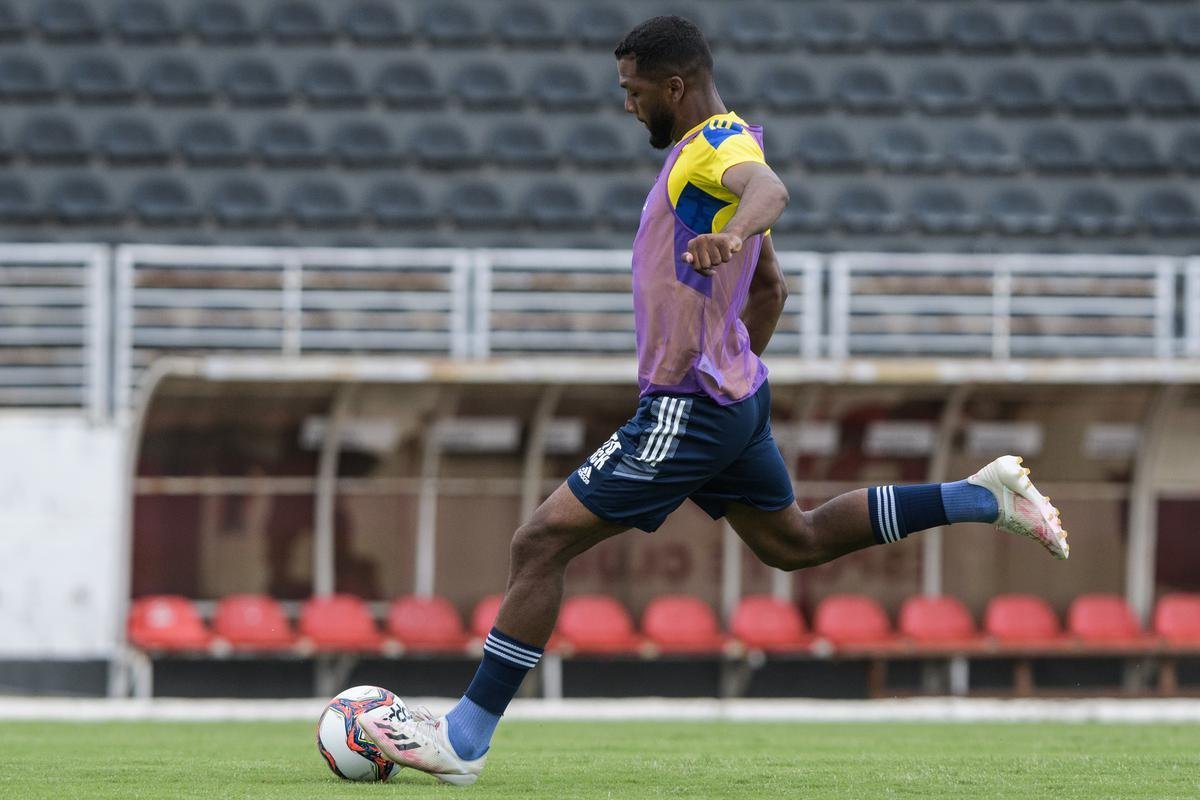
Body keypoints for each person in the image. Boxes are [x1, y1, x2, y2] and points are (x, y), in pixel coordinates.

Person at [360, 16, 1069, 785]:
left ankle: (464, 740)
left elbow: (769, 192)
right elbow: (774, 289)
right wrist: (729, 372)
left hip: (688, 408)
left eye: (634, 92)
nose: (627, 106)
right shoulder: (726, 143)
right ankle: (979, 495)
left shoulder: (713, 153)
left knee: (539, 544)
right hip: (728, 401)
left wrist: (730, 246)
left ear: (675, 86)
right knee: (792, 543)